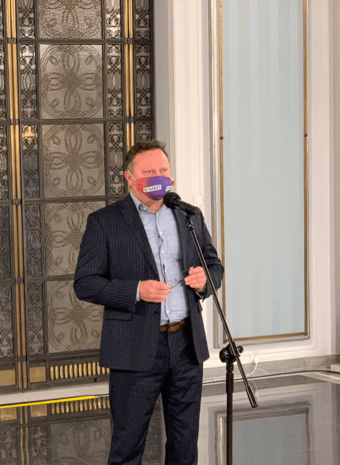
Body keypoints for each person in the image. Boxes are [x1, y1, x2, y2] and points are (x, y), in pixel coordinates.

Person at [73, 141, 223, 465]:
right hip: (134, 346)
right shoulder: (105, 221)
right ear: (129, 176)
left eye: (163, 170)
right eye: (150, 171)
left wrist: (204, 281)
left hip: (186, 344)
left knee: (185, 445)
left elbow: (214, 266)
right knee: (128, 445)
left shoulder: (188, 215)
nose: (159, 176)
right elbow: (84, 283)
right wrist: (136, 290)